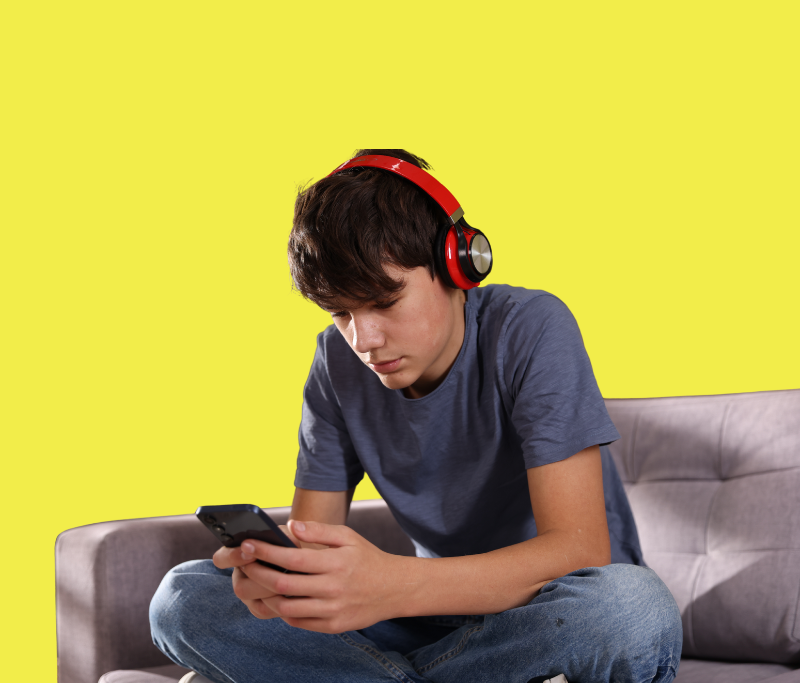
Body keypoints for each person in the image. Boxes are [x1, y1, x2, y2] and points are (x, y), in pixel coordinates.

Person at [150, 149, 683, 683]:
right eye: (340, 312)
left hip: (545, 611)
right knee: (181, 597)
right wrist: (288, 584)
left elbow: (579, 551)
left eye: (383, 301)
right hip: (425, 618)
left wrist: (391, 583)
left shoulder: (532, 329)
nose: (364, 339)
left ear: (458, 265)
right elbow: (315, 540)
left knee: (631, 610)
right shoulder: (334, 364)